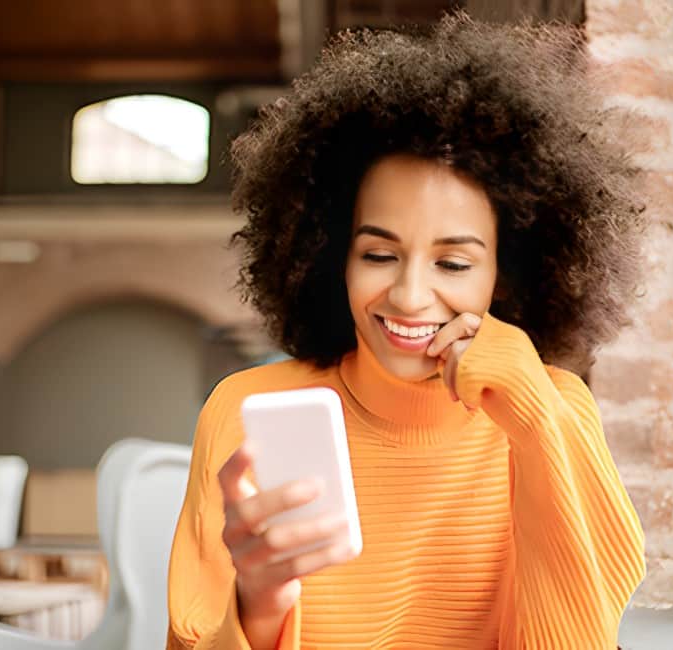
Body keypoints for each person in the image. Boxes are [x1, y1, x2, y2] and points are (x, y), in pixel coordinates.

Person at [167, 13, 646, 649]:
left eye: (452, 263)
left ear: (507, 274)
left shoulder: (557, 410)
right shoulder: (245, 410)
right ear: (329, 255)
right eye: (378, 254)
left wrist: (532, 415)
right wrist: (258, 607)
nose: (410, 296)